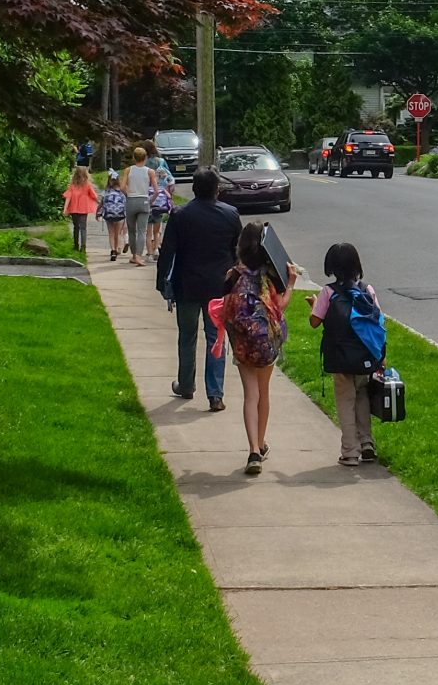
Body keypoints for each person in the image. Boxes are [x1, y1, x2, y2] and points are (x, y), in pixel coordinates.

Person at [151, 166, 239, 411]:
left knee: (187, 337)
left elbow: (168, 251)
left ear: (193, 189)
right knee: (216, 339)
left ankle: (186, 385)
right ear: (216, 189)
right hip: (218, 288)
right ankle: (215, 394)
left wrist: (161, 283)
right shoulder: (231, 214)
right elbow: (236, 253)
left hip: (186, 285)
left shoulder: (180, 215)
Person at [223, 221, 301, 476]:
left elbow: (224, 303)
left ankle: (253, 449)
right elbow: (280, 307)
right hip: (266, 342)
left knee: (250, 395)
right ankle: (262, 442)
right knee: (264, 394)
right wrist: (290, 283)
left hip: (243, 343)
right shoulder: (269, 277)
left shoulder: (233, 274)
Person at [309, 242, 385, 469]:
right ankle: (367, 443)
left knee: (345, 401)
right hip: (365, 358)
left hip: (341, 358)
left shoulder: (328, 292)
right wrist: (381, 356)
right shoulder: (367, 290)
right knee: (362, 397)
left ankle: (350, 452)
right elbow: (379, 321)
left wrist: (314, 305)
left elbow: (314, 322)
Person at [120, 146, 155, 265]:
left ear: (134, 158)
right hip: (144, 200)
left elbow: (122, 187)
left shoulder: (128, 170)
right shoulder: (150, 171)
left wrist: (128, 194)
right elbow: (156, 190)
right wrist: (151, 201)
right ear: (145, 158)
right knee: (142, 231)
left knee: (131, 231)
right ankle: (139, 256)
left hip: (131, 201)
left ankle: (134, 255)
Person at [60, 164, 99, 254]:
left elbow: (68, 197)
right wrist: (100, 203)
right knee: (83, 228)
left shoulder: (72, 185)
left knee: (76, 227)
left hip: (74, 209)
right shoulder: (87, 185)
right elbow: (94, 195)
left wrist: (65, 209)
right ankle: (83, 247)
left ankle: (76, 245)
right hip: (84, 209)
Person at [96, 169, 129, 262]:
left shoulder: (106, 191)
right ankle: (118, 247)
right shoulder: (122, 191)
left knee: (111, 233)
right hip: (120, 215)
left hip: (109, 215)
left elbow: (101, 204)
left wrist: (97, 212)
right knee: (118, 233)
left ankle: (113, 250)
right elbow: (126, 203)